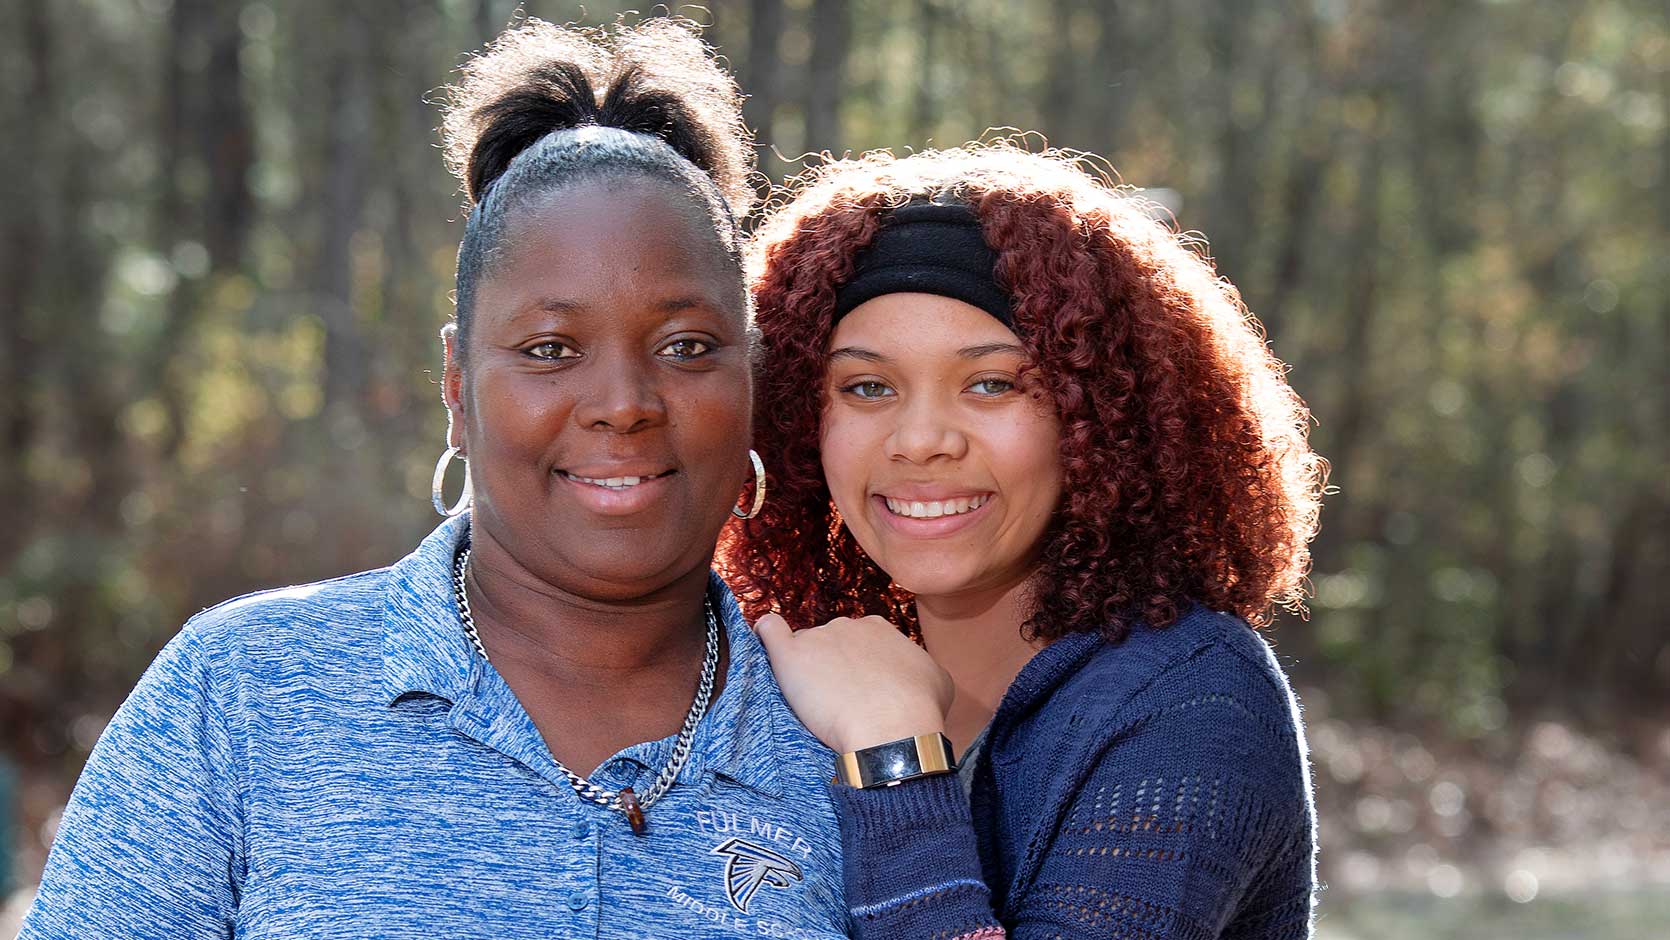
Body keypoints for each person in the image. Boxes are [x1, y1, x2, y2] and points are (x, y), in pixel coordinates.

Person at [22, 19, 848, 939]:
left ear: (753, 381)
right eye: (550, 349)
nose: (624, 404)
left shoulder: (843, 736)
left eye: (686, 346)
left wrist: (902, 765)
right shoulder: (242, 695)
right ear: (457, 389)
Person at [722, 142, 1325, 939]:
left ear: (1100, 419)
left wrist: (894, 752)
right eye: (866, 386)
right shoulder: (799, 678)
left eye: (992, 383)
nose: (922, 439)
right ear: (800, 424)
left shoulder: (1194, 703)